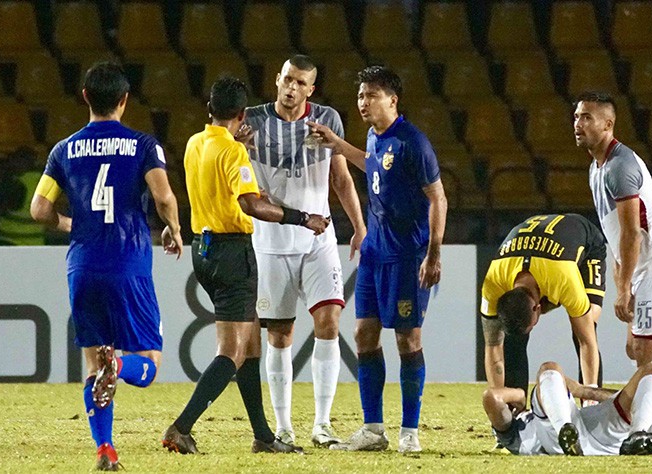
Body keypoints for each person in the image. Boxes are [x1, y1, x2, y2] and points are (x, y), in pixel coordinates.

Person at [161, 76, 329, 455]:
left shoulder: (194, 143)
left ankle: (264, 437)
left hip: (201, 248)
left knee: (251, 344)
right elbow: (251, 205)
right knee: (233, 351)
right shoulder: (235, 153)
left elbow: (218, 186)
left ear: (209, 109)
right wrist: (304, 218)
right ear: (241, 113)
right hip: (232, 251)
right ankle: (181, 427)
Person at [29, 62, 184, 471]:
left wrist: (69, 223)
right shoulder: (143, 144)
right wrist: (174, 229)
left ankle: (105, 449)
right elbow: (164, 196)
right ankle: (120, 365)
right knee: (148, 363)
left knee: (93, 364)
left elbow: (39, 209)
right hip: (128, 264)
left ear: (84, 96)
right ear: (124, 100)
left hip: (82, 266)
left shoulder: (63, 149)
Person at [307, 65, 448, 453]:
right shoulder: (375, 136)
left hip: (406, 256)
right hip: (373, 251)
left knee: (407, 338)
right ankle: (373, 429)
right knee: (363, 334)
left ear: (392, 99)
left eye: (371, 95)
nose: (363, 102)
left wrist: (433, 254)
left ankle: (410, 431)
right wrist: (337, 143)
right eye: (360, 95)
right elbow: (371, 164)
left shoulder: (412, 143)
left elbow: (438, 198)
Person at [241, 55, 366, 447]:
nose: (291, 88)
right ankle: (283, 426)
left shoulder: (328, 120)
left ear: (311, 90)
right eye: (287, 79)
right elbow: (231, 169)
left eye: (300, 83)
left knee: (329, 322)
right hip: (271, 243)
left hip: (318, 240)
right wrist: (236, 147)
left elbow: (341, 178)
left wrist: (359, 226)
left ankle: (322, 424)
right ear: (277, 79)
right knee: (279, 335)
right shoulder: (251, 121)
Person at [574, 91, 652, 435]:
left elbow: (632, 234)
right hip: (645, 269)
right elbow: (616, 237)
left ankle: (651, 435)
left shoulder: (620, 166)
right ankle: (651, 432)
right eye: (577, 116)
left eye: (587, 118)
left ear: (608, 124)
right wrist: (623, 282)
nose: (578, 124)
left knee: (644, 351)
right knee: (636, 349)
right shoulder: (596, 168)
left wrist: (623, 288)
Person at [480, 214, 605, 399]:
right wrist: (500, 399)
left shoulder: (563, 279)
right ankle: (516, 408)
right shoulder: (493, 284)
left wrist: (591, 396)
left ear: (537, 308)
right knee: (514, 338)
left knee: (585, 328)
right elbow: (492, 346)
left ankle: (591, 406)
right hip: (539, 252)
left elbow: (587, 342)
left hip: (587, 247)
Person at [483, 359, 652, 456]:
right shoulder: (511, 436)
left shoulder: (515, 433)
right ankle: (638, 431)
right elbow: (491, 397)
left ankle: (636, 438)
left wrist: (582, 391)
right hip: (556, 437)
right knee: (549, 368)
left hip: (578, 429)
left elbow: (492, 398)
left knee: (651, 371)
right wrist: (519, 395)